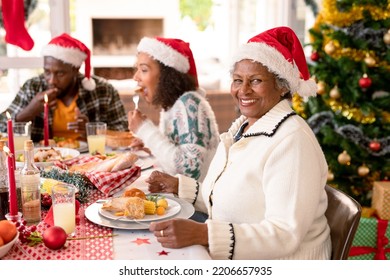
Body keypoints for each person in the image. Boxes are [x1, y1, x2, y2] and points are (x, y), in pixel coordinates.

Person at [146, 26, 332, 260]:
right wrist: (180, 186)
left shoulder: (292, 141)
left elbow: (285, 234)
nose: (243, 90)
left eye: (255, 81)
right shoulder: (247, 127)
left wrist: (204, 234)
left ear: (283, 85)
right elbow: (234, 199)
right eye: (237, 80)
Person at [0, 33, 128, 142]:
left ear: (76, 69)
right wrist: (29, 112)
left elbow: (124, 133)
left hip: (91, 160)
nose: (52, 80)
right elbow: (1, 126)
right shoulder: (32, 87)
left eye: (60, 73)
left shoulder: (103, 90)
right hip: (44, 160)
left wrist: (93, 130)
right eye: (47, 71)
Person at [128, 37, 219, 182]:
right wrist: (150, 145)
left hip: (198, 203)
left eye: (143, 70)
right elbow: (176, 156)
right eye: (137, 69)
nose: (135, 77)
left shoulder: (189, 104)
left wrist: (145, 130)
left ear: (167, 75)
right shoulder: (173, 105)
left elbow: (190, 170)